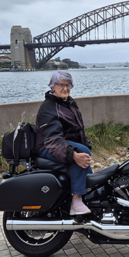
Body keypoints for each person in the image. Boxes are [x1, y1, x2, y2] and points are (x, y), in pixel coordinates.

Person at [35, 71, 93, 215]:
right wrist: (72, 154)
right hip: (48, 146)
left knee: (85, 156)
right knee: (81, 152)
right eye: (61, 85)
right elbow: (52, 138)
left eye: (68, 85)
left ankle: (92, 198)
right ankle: (76, 201)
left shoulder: (69, 103)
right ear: (52, 86)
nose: (65, 89)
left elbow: (79, 129)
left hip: (63, 145)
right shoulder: (48, 107)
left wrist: (86, 145)